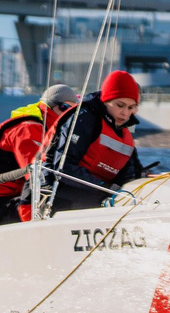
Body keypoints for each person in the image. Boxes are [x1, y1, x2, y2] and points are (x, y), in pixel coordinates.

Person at [42, 71, 153, 213]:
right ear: (106, 100)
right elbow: (63, 167)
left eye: (131, 108)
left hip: (95, 198)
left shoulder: (125, 134)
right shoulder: (85, 118)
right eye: (120, 105)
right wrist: (105, 187)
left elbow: (129, 174)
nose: (125, 113)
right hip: (59, 196)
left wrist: (143, 176)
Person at [0, 84, 74, 229]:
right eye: (68, 110)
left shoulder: (43, 130)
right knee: (69, 205)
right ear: (56, 107)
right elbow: (40, 176)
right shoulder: (29, 129)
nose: (70, 118)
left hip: (6, 203)